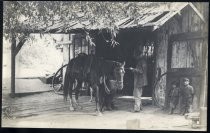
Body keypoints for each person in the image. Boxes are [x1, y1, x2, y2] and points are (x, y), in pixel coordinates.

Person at [129, 44, 148, 112]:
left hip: (139, 80)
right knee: (138, 94)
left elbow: (140, 71)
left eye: (136, 55)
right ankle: (140, 107)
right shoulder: (143, 62)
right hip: (142, 80)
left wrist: (133, 69)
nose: (135, 57)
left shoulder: (141, 61)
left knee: (137, 94)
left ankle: (137, 109)